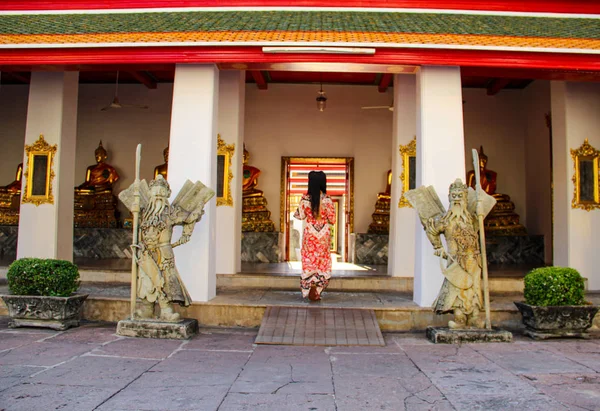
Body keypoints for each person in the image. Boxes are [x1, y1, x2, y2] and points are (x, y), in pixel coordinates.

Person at [425, 179, 484, 329]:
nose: (457, 199)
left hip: (474, 260)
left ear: (465, 198)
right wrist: (438, 246)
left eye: (460, 196)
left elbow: (478, 230)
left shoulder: (471, 218)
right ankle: (460, 319)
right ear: (450, 198)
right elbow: (431, 230)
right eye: (454, 196)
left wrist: (480, 213)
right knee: (457, 290)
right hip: (457, 261)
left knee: (475, 289)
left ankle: (475, 318)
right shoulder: (445, 220)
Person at [293, 171, 336, 301]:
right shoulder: (327, 199)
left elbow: (299, 216)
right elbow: (333, 219)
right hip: (323, 234)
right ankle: (317, 289)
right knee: (322, 261)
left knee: (309, 259)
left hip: (310, 233)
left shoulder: (305, 199)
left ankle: (309, 286)